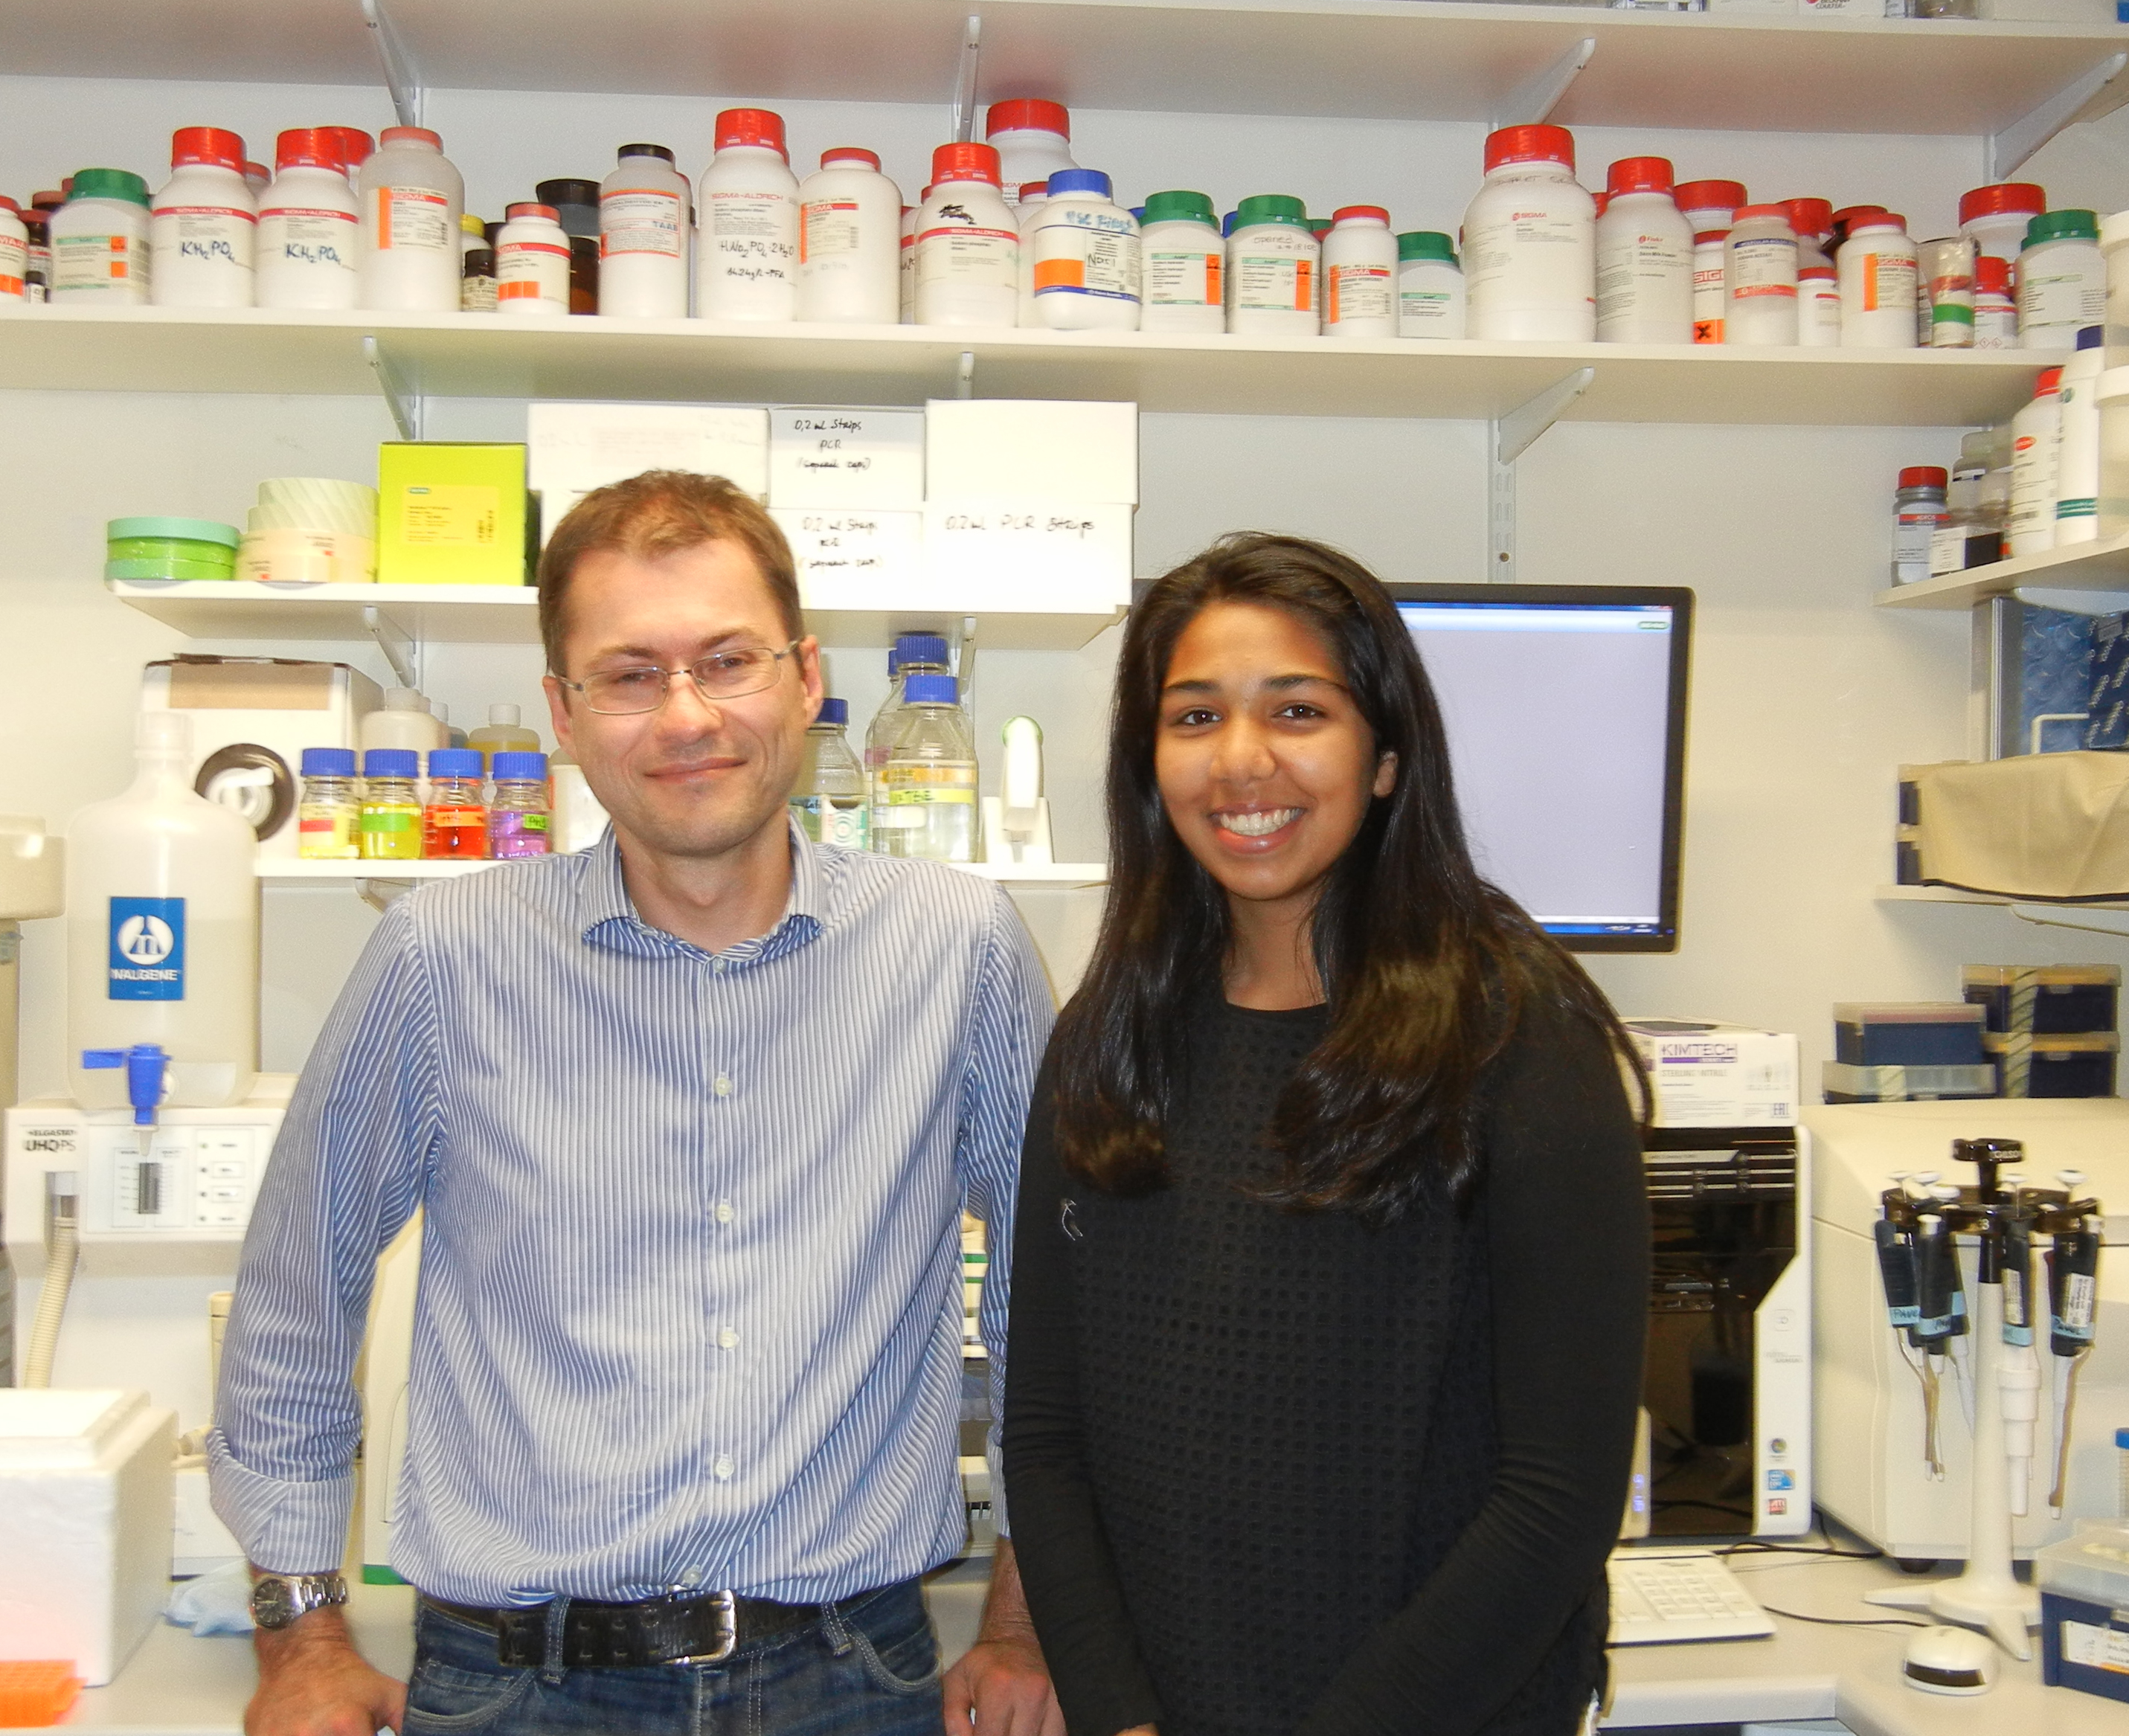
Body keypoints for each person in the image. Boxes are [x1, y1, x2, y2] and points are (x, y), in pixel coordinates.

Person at [211, 469, 1064, 1736]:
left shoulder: (958, 948)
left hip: (851, 1675)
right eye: (628, 674)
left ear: (805, 677)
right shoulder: (444, 957)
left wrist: (1026, 1622)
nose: (686, 715)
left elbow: (1056, 1312)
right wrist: (299, 1638)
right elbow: (294, 1295)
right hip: (519, 1684)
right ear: (563, 711)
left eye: (727, 660)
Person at [1003, 533, 1649, 1736]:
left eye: (1297, 710)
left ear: (1386, 756)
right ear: (1149, 761)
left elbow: (1555, 1495)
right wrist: (1118, 1713)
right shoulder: (1108, 1036)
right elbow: (1047, 1439)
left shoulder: (1516, 1031)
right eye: (1194, 717)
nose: (1241, 760)